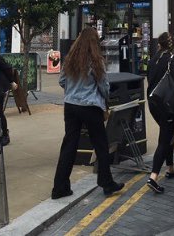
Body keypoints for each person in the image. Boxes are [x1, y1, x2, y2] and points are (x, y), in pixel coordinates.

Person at [51, 27, 124, 200]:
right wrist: (104, 99)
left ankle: (59, 188)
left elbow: (62, 80)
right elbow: (104, 86)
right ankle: (106, 182)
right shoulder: (96, 60)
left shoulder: (70, 58)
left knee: (69, 145)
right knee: (100, 144)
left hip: (70, 106)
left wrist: (72, 92)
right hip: (90, 106)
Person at [145, 32, 174, 194]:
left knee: (167, 133)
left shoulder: (152, 60)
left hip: (154, 103)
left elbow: (149, 80)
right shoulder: (173, 60)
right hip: (168, 105)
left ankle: (171, 168)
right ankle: (153, 177)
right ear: (171, 45)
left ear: (158, 45)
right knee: (164, 139)